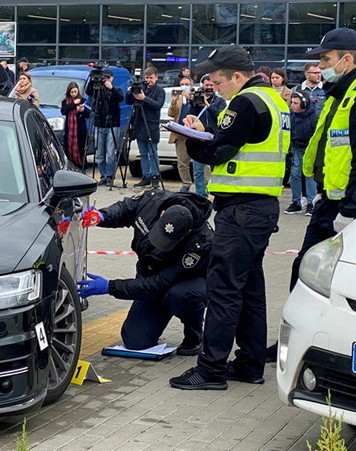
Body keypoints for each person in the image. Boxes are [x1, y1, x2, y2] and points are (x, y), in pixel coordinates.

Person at [169, 46, 289, 390]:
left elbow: (220, 151)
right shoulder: (274, 100)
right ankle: (250, 364)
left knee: (223, 289)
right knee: (249, 289)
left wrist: (189, 140)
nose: (215, 88)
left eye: (219, 81)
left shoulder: (245, 102)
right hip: (260, 208)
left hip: (241, 211)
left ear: (237, 76)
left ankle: (211, 369)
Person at [289, 28, 356, 291]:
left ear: (346, 60)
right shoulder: (340, 93)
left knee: (332, 279)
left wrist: (350, 210)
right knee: (305, 270)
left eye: (326, 60)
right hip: (329, 201)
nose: (321, 67)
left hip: (348, 207)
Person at [76, 190, 213, 354]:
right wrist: (101, 216)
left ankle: (194, 337)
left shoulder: (200, 244)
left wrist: (110, 287)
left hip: (183, 285)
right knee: (135, 341)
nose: (160, 244)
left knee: (181, 296)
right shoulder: (151, 201)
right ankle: (159, 312)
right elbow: (125, 209)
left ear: (186, 233)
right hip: (150, 278)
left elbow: (158, 284)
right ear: (162, 214)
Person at [126, 66, 166, 188]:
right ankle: (146, 176)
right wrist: (129, 92)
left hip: (151, 124)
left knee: (152, 152)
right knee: (143, 153)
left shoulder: (160, 91)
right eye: (147, 77)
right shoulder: (141, 88)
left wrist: (145, 98)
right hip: (140, 124)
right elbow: (128, 102)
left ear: (156, 78)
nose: (148, 80)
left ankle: (155, 177)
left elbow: (158, 105)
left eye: (151, 78)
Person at [188, 74, 227, 198]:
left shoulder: (220, 101)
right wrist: (193, 103)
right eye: (207, 85)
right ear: (202, 86)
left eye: (211, 85)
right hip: (199, 137)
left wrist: (207, 105)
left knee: (215, 168)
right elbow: (190, 116)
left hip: (214, 137)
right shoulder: (197, 99)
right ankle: (201, 195)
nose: (209, 87)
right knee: (198, 170)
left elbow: (221, 116)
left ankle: (216, 193)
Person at [285, 91, 321, 215]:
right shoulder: (291, 115)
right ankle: (296, 202)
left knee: (309, 175)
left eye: (296, 103)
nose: (292, 105)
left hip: (311, 148)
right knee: (295, 174)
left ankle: (311, 203)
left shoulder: (315, 115)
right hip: (297, 148)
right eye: (292, 102)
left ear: (304, 104)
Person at [86, 68, 123, 187]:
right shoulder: (98, 90)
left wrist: (110, 88)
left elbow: (120, 97)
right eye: (104, 78)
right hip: (99, 123)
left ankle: (110, 176)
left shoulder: (115, 90)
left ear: (111, 79)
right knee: (100, 153)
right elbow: (89, 92)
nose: (105, 80)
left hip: (112, 124)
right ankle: (102, 175)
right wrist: (92, 80)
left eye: (107, 78)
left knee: (111, 153)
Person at [169, 77, 194, 192]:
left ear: (191, 85)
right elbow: (171, 113)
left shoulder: (195, 97)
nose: (184, 86)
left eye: (186, 84)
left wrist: (189, 97)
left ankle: (205, 183)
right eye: (182, 84)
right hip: (180, 134)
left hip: (194, 133)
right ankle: (186, 183)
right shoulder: (178, 99)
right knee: (182, 162)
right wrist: (174, 101)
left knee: (201, 163)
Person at [60, 82, 90, 168]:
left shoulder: (83, 100)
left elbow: (88, 114)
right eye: (72, 92)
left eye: (75, 92)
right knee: (68, 149)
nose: (73, 94)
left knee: (81, 149)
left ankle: (81, 166)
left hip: (80, 130)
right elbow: (63, 111)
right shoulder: (65, 101)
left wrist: (82, 110)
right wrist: (73, 104)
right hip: (70, 130)